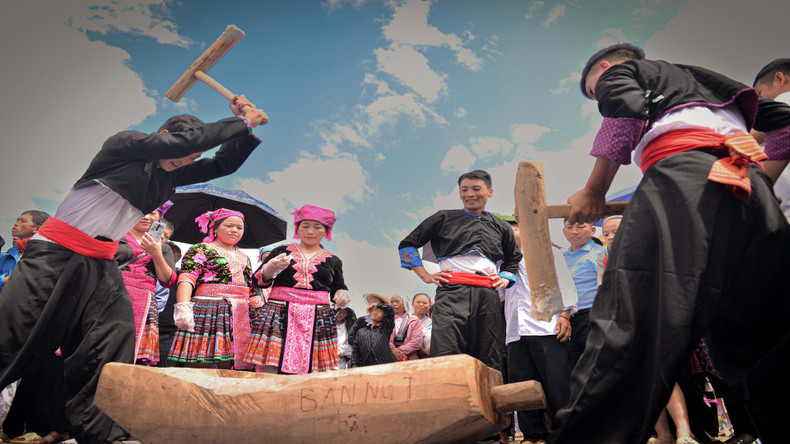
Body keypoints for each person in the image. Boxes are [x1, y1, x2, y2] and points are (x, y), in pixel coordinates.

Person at [551, 43, 790, 444]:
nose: (599, 98)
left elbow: (623, 113)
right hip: (751, 195)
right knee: (760, 339)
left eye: (594, 92)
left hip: (686, 180)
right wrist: (764, 177)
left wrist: (594, 189)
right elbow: (786, 122)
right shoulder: (712, 82)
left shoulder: (624, 74)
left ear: (606, 69)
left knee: (632, 322)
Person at [0, 95, 268, 444]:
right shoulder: (123, 147)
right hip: (54, 254)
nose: (183, 163)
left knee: (114, 337)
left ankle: (100, 432)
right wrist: (240, 122)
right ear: (164, 135)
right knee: (14, 335)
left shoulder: (172, 175)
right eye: (181, 154)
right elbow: (187, 141)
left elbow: (222, 164)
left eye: (190, 160)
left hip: (100, 263)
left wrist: (243, 133)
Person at [398, 170, 522, 370]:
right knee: (446, 350)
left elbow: (513, 257)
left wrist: (505, 278)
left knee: (489, 350)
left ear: (489, 192)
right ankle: (448, 399)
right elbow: (407, 244)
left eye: (476, 189)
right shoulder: (443, 218)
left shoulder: (501, 227)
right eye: (464, 190)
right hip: (451, 292)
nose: (469, 194)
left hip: (488, 295)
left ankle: (489, 398)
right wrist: (425, 275)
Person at [243, 205, 349, 374]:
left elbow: (338, 287)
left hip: (318, 316)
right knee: (272, 365)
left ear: (326, 231)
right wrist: (269, 270)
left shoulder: (333, 260)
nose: (310, 231)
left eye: (317, 227)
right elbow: (257, 281)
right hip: (280, 312)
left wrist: (341, 295)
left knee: (312, 369)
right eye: (305, 226)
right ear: (297, 229)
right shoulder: (281, 251)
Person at [500, 216, 576, 444]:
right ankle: (533, 436)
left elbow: (565, 283)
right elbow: (500, 295)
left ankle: (567, 433)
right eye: (509, 233)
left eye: (516, 230)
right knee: (523, 386)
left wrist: (565, 315)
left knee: (558, 383)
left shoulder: (549, 253)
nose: (513, 235)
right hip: (516, 331)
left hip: (547, 327)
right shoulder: (503, 263)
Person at [169, 209, 261, 370]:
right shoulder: (201, 249)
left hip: (240, 313)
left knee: (231, 364)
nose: (235, 230)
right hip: (208, 310)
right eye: (229, 226)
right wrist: (183, 306)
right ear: (215, 228)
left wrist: (260, 310)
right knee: (201, 361)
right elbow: (187, 278)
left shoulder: (244, 257)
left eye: (239, 228)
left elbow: (250, 288)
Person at [116, 209, 177, 365]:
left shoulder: (163, 248)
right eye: (141, 211)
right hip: (111, 294)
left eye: (153, 213)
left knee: (134, 354)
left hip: (143, 303)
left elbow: (168, 280)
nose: (146, 217)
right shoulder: (115, 235)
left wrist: (156, 252)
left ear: (159, 218)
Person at [561, 219, 606, 365]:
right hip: (569, 320)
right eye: (569, 227)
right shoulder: (562, 258)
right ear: (564, 231)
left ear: (592, 230)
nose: (574, 231)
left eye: (580, 227)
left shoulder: (601, 254)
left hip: (592, 317)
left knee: (596, 364)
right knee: (576, 366)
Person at [753, 58, 790, 221]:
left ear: (780, 79)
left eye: (759, 95)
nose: (758, 105)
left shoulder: (785, 102)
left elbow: (743, 136)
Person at [0, 211, 50, 292]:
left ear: (37, 228)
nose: (16, 224)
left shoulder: (45, 256)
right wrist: (6, 280)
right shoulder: (7, 257)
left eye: (23, 221)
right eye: (17, 220)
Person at [157, 241, 182, 368]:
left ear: (178, 258)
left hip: (169, 335)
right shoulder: (146, 272)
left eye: (168, 253)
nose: (163, 256)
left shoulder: (183, 279)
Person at [388, 294, 423, 361]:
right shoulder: (386, 320)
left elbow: (417, 341)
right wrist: (392, 348)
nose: (394, 304)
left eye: (397, 301)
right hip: (389, 354)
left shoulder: (414, 320)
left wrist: (399, 351)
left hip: (409, 356)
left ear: (405, 303)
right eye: (392, 302)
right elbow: (383, 337)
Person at [412, 293, 432, 358]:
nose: (421, 305)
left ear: (429, 305)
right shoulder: (405, 320)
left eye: (424, 303)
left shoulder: (432, 323)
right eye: (418, 302)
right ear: (413, 304)